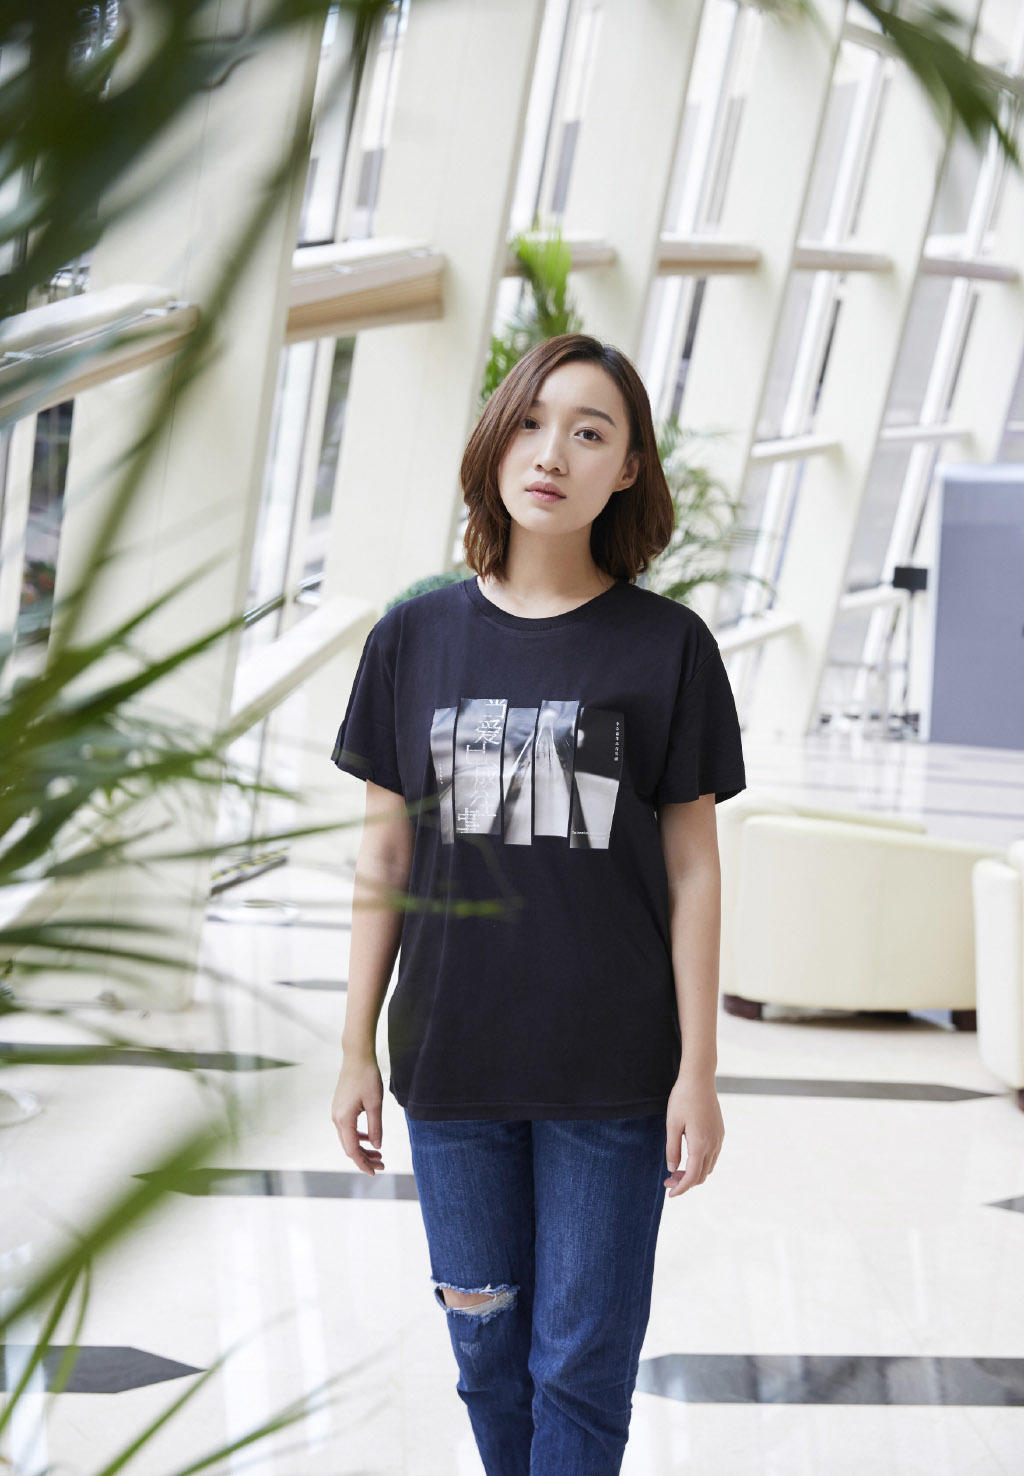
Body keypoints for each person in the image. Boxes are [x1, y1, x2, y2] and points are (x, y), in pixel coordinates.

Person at [329, 331, 746, 1475]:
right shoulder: (414, 635)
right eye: (530, 421)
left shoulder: (668, 648)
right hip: (452, 1061)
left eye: (589, 432)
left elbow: (695, 869)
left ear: (628, 468)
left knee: (580, 1367)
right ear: (495, 439)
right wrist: (354, 1046)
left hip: (612, 1070)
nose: (551, 452)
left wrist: (699, 1072)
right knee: (486, 1353)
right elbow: (384, 853)